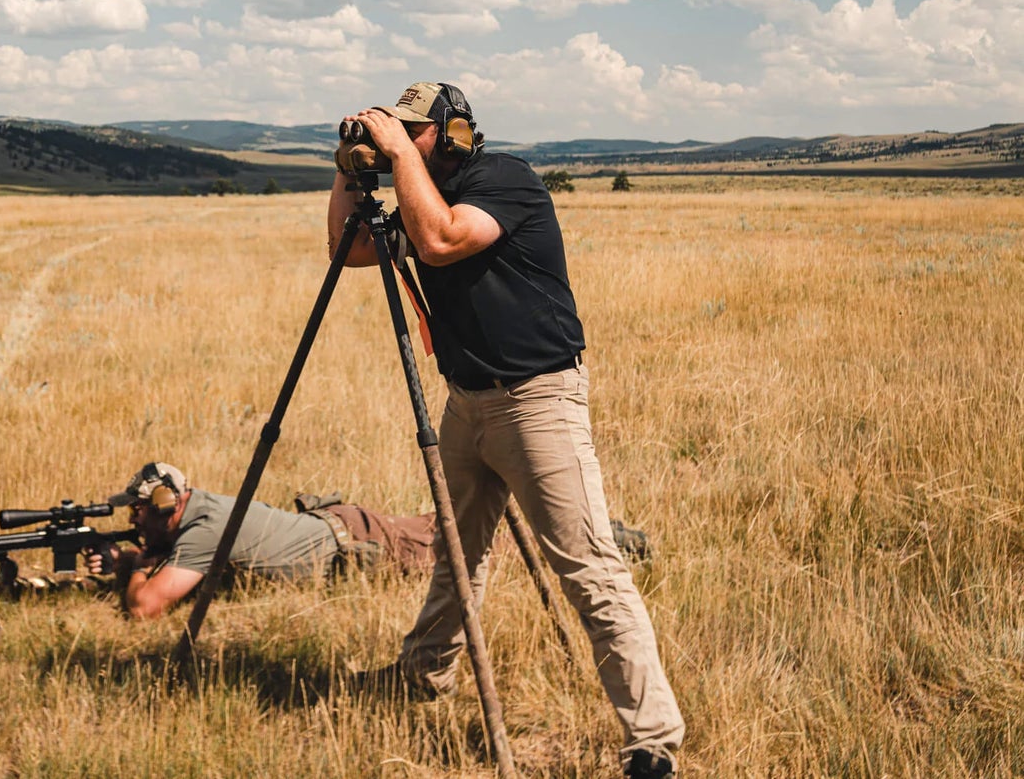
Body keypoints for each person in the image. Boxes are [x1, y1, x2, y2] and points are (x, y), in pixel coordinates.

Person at [328, 82, 684, 779]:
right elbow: (351, 251)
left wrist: (396, 155)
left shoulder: (504, 180)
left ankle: (652, 739)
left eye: (413, 130)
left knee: (588, 567)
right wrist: (347, 168)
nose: (399, 138)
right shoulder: (419, 186)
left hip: (536, 401)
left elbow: (439, 240)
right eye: (393, 129)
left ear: (452, 131)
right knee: (456, 552)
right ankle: (423, 673)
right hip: (467, 401)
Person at [87, 460, 436, 620]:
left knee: (459, 547)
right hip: (340, 527)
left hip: (362, 542)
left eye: (138, 509)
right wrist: (122, 562)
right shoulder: (196, 511)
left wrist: (139, 566)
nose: (132, 518)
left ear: (165, 506)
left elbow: (144, 608)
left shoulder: (205, 528)